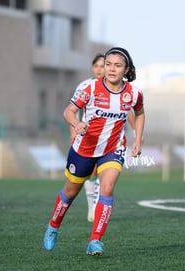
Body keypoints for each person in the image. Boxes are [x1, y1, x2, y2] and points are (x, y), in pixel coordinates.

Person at [43, 47, 145, 256]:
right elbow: (68, 111)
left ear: (126, 69)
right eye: (108, 64)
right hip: (84, 149)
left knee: (106, 188)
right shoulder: (90, 88)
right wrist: (76, 124)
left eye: (117, 66)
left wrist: (138, 139)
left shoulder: (134, 93)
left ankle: (95, 241)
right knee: (71, 192)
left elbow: (140, 112)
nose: (111, 69)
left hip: (113, 149)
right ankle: (53, 226)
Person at [70, 54, 136, 223]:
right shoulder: (86, 86)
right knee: (87, 174)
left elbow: (128, 110)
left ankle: (96, 207)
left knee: (105, 174)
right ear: (93, 68)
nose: (101, 69)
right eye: (98, 66)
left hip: (112, 141)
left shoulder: (120, 88)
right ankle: (91, 205)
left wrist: (138, 134)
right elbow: (74, 111)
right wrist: (74, 133)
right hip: (88, 138)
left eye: (103, 65)